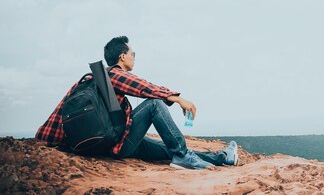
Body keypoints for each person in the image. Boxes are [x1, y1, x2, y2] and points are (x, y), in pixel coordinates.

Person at [36, 36, 237, 170]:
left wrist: (43, 137)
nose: (134, 58)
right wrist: (177, 98)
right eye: (133, 54)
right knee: (155, 104)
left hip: (107, 142)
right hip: (116, 146)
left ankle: (222, 158)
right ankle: (183, 158)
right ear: (122, 56)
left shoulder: (88, 81)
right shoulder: (113, 74)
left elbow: (61, 113)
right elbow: (143, 87)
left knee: (169, 147)